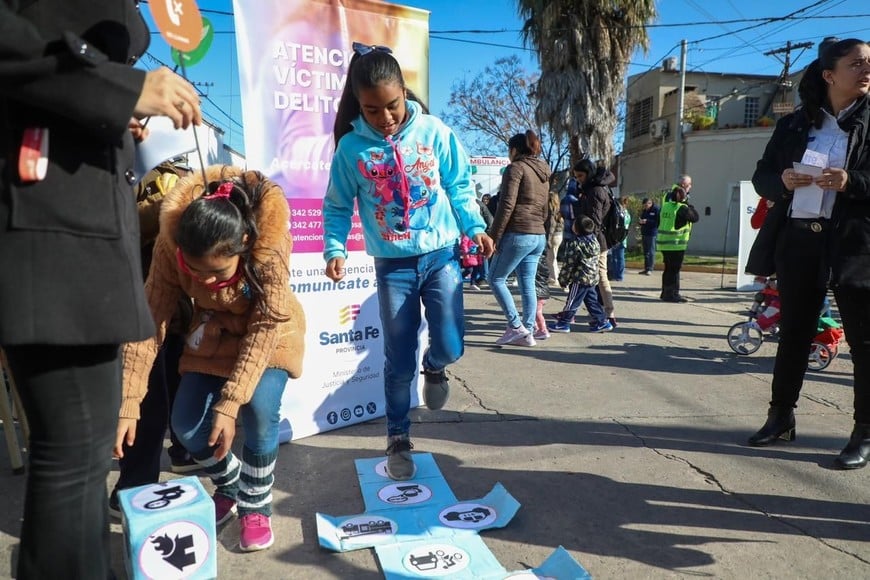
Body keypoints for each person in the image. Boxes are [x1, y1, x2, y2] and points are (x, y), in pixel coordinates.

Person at [0, 2, 202, 577]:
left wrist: (114, 113)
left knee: (81, 464)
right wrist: (119, 87)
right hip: (45, 219)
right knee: (71, 460)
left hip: (82, 222)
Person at [322, 43, 493, 481]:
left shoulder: (435, 132)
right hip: (393, 267)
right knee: (398, 358)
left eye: (392, 105)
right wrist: (335, 248)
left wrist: (474, 226)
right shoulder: (351, 149)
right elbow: (338, 206)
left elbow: (458, 184)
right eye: (372, 109)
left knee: (452, 344)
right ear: (359, 105)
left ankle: (434, 365)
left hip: (441, 256)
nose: (385, 117)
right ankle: (398, 436)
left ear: (405, 92)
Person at [115, 166, 307, 552]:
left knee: (259, 409)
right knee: (186, 424)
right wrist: (129, 402)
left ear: (245, 242)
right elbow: (149, 325)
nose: (203, 281)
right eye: (193, 270)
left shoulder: (268, 248)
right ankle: (233, 486)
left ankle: (257, 505)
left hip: (269, 334)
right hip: (213, 332)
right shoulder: (171, 249)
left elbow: (267, 324)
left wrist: (230, 402)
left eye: (216, 271)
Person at [746, 38, 870, 470]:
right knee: (794, 333)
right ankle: (780, 417)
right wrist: (780, 179)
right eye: (857, 63)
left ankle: (863, 433)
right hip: (799, 238)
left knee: (863, 341)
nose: (866, 69)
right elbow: (761, 177)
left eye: (869, 63)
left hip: (855, 244)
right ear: (829, 74)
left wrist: (850, 181)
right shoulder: (797, 125)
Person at [109, 160, 198, 518]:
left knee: (180, 378)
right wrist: (169, 206)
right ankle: (134, 485)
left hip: (175, 307)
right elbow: (118, 225)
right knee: (146, 397)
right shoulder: (116, 160)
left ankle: (183, 451)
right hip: (133, 301)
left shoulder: (169, 163)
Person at [487, 130, 552, 347]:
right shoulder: (543, 171)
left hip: (518, 232)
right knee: (527, 285)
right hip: (538, 235)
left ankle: (516, 327)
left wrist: (493, 236)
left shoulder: (515, 168)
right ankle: (529, 331)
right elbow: (545, 208)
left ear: (514, 150)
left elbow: (507, 205)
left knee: (495, 278)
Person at [548, 217, 612, 333]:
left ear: (577, 229)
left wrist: (563, 279)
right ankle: (602, 321)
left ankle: (564, 323)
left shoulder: (575, 243)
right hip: (592, 277)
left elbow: (569, 264)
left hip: (580, 278)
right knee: (592, 301)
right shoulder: (594, 240)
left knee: (572, 301)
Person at [574, 159, 618, 327]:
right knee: (586, 277)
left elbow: (594, 221)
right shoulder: (592, 189)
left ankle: (609, 313)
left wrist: (586, 238)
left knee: (600, 276)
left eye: (580, 175)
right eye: (576, 176)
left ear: (589, 174)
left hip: (595, 241)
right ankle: (577, 311)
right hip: (593, 239)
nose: (578, 179)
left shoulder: (596, 191)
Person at [658, 187, 700, 302]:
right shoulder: (682, 208)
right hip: (676, 244)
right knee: (674, 270)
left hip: (664, 243)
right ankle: (672, 294)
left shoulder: (665, 206)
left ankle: (665, 292)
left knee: (668, 269)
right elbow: (695, 217)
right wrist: (688, 204)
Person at [607, 196, 631, 281]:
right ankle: (616, 274)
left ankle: (619, 275)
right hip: (621, 237)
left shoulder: (621, 213)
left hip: (619, 237)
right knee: (616, 257)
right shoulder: (626, 213)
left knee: (619, 257)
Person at [545, 191, 565, 285]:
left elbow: (551, 226)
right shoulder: (559, 209)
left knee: (550, 258)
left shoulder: (551, 211)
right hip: (559, 235)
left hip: (553, 236)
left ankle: (554, 278)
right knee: (554, 257)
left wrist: (548, 239)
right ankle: (555, 275)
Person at [638, 197, 660, 274]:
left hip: (651, 233)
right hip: (644, 233)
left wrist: (647, 221)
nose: (645, 207)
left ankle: (650, 268)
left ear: (650, 203)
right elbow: (641, 219)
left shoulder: (656, 209)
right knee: (646, 252)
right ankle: (646, 268)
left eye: (646, 205)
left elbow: (657, 222)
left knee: (651, 252)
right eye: (644, 205)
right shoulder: (645, 211)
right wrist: (640, 221)